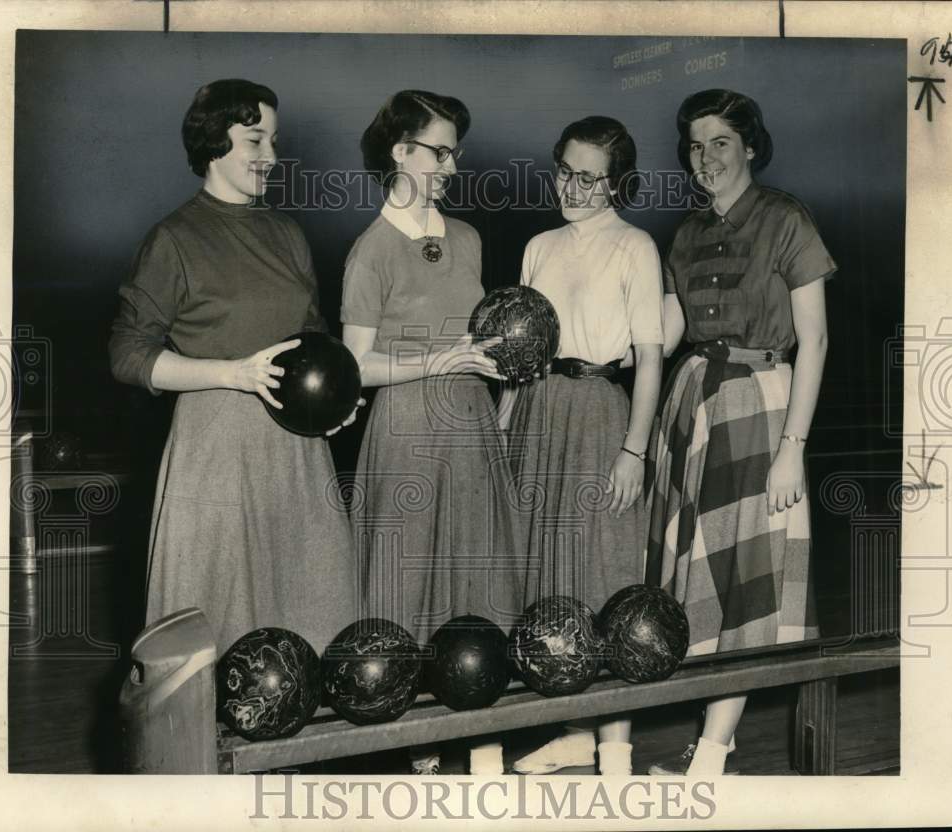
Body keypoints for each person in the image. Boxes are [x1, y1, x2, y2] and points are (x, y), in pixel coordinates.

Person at [109, 79, 360, 658]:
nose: (270, 156)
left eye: (274, 140)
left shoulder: (287, 234)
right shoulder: (173, 238)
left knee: (314, 609)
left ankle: (301, 751)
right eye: (255, 140)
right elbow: (127, 353)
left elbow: (313, 336)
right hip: (216, 444)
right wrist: (233, 374)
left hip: (296, 450)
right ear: (213, 143)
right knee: (220, 624)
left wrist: (335, 404)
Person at [644, 88, 834, 776]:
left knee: (753, 581)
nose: (707, 158)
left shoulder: (786, 218)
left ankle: (713, 752)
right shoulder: (686, 234)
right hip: (692, 404)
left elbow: (813, 341)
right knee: (702, 581)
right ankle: (712, 746)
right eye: (695, 146)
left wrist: (792, 449)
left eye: (721, 142)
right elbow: (663, 336)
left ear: (750, 146)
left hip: (765, 407)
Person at [341, 89, 523, 776]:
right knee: (405, 589)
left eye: (456, 152)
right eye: (439, 150)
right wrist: (437, 360)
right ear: (400, 150)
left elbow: (483, 339)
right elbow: (354, 364)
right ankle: (415, 755)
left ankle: (483, 749)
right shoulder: (370, 252)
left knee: (476, 579)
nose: (451, 164)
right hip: (407, 430)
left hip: (471, 425)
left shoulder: (470, 238)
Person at [504, 116, 664, 776]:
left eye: (589, 176)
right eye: (565, 170)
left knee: (606, 571)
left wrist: (635, 450)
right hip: (540, 413)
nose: (572, 186)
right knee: (546, 570)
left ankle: (616, 748)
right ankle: (570, 731)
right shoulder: (539, 246)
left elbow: (650, 360)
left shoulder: (636, 246)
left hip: (602, 415)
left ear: (616, 184)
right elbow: (521, 352)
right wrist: (503, 425)